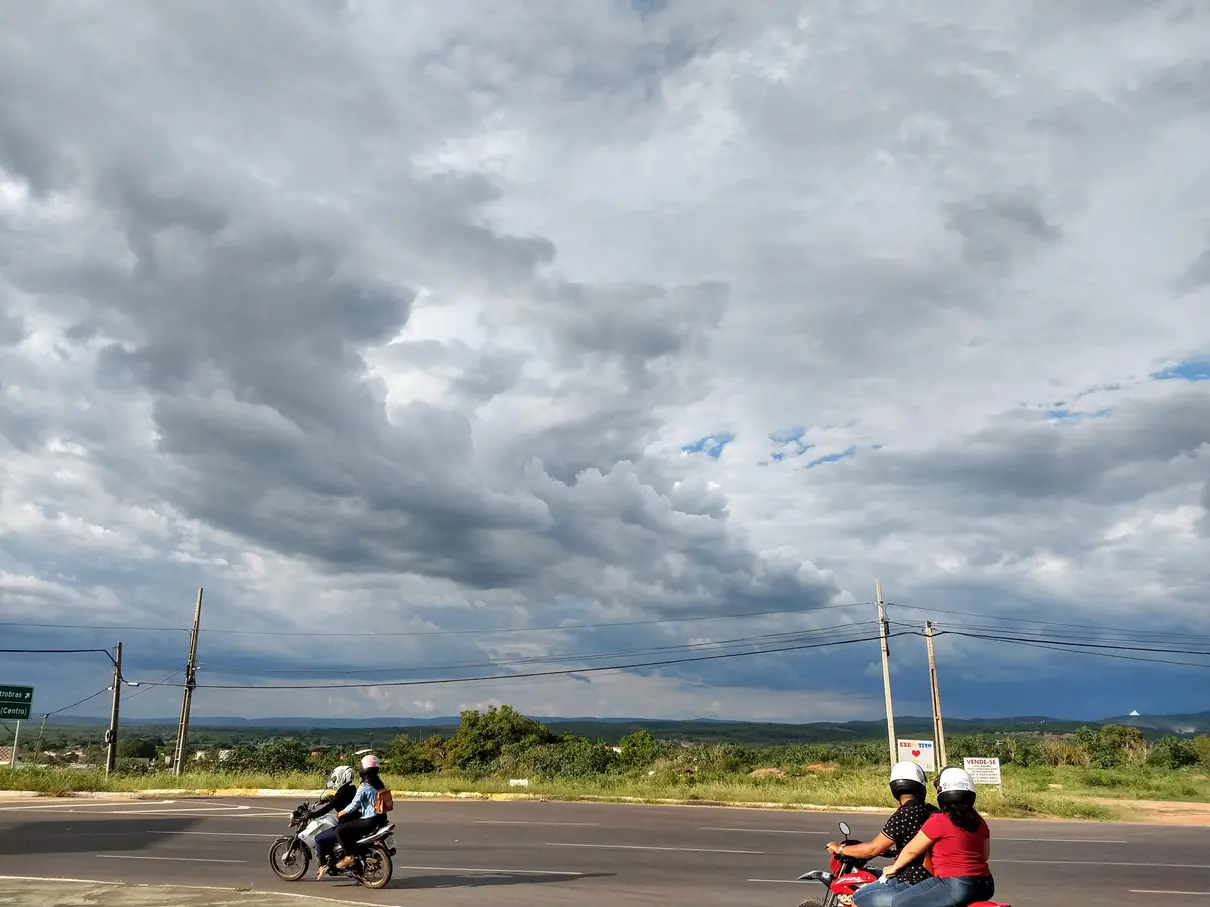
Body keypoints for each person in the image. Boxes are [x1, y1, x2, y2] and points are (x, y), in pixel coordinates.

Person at [826, 762, 937, 907]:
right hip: (934, 876)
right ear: (921, 786)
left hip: (911, 879)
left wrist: (840, 849)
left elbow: (872, 849)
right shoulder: (931, 810)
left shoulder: (904, 814)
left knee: (858, 898)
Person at [881, 767, 995, 907]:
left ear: (942, 794)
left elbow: (912, 850)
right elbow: (984, 855)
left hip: (955, 884)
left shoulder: (939, 819)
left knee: (900, 902)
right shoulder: (980, 821)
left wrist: (893, 868)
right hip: (985, 884)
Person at [333, 754, 390, 871]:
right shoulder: (379, 783)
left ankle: (349, 857)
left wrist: (341, 813)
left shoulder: (365, 785)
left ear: (364, 769)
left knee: (340, 830)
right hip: (381, 818)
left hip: (370, 820)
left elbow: (354, 804)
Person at [312, 765, 357, 880]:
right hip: (355, 822)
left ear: (342, 778)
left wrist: (310, 815)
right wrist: (331, 798)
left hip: (346, 824)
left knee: (319, 839)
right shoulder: (352, 789)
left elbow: (326, 809)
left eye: (336, 779)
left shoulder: (340, 795)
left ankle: (323, 866)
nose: (335, 781)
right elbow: (341, 800)